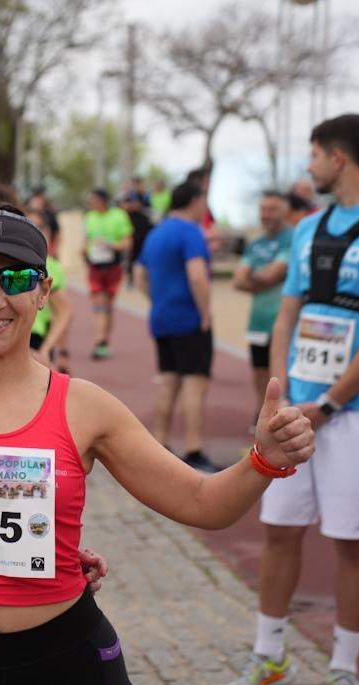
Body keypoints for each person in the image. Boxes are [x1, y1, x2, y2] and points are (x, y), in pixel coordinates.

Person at [0, 206, 314, 685]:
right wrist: (29, 544)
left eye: (15, 279)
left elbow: (201, 500)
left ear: (44, 291)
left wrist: (263, 459)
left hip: (66, 673)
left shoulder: (84, 406)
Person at [220, 113, 359, 685]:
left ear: (339, 158)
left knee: (351, 540)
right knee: (279, 530)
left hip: (358, 414)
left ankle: (345, 670)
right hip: (297, 411)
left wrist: (330, 402)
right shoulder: (308, 227)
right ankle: (269, 656)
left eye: (313, 155)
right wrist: (282, 394)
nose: (307, 167)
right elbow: (288, 315)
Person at [134, 182, 220, 473]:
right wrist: (205, 312)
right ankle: (194, 449)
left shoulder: (156, 233)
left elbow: (139, 275)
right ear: (195, 201)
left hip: (161, 317)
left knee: (168, 380)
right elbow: (197, 276)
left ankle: (159, 443)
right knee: (195, 384)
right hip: (188, 317)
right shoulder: (191, 231)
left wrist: (157, 301)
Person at [233, 191, 292, 420]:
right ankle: (261, 417)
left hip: (283, 321)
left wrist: (258, 275)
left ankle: (281, 417)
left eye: (272, 209)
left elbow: (270, 274)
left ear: (284, 212)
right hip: (258, 321)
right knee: (259, 374)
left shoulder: (292, 238)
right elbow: (238, 281)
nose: (266, 214)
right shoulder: (255, 243)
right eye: (263, 209)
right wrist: (265, 277)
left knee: (280, 375)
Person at [82, 188, 133, 360]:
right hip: (95, 267)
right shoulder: (90, 217)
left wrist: (109, 245)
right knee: (98, 304)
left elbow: (127, 243)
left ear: (103, 201)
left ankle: (105, 340)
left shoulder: (119, 216)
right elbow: (88, 240)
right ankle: (99, 341)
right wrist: (85, 251)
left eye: (94, 201)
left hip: (113, 267)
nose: (91, 204)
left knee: (108, 306)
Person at [27, 208, 72, 374]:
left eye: (39, 227)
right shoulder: (7, 262)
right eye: (29, 226)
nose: (34, 232)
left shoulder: (52, 266)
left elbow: (64, 311)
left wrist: (55, 350)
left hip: (38, 339)